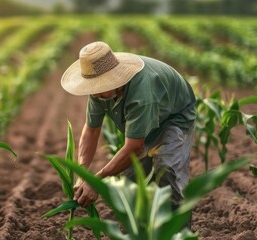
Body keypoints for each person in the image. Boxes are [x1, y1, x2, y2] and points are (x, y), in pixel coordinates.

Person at [60, 41, 196, 219]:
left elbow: (134, 147)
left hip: (174, 115)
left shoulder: (141, 95)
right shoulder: (98, 92)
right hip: (146, 118)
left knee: (166, 169)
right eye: (93, 88)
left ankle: (177, 232)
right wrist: (83, 175)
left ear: (115, 78)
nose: (94, 94)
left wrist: (96, 181)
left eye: (100, 87)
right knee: (130, 181)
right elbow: (92, 131)